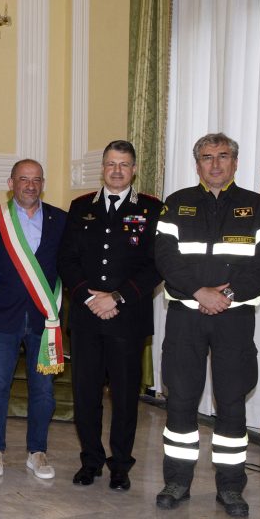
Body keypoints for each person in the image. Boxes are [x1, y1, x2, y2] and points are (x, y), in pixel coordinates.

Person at [154, 133, 260, 518]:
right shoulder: (176, 204)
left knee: (231, 402)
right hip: (186, 317)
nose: (215, 164)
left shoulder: (258, 206)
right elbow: (165, 257)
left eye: (223, 156)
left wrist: (227, 295)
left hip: (234, 317)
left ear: (235, 162)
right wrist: (199, 292)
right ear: (197, 164)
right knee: (180, 400)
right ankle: (177, 482)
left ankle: (230, 488)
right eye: (207, 157)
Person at [58, 140, 162, 491]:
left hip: (127, 318)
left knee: (125, 397)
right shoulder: (81, 207)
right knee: (86, 394)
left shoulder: (151, 208)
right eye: (111, 164)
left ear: (134, 169)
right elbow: (66, 260)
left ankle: (120, 464)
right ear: (102, 168)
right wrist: (90, 298)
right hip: (87, 317)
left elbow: (156, 265)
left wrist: (117, 297)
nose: (117, 171)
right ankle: (91, 460)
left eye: (124, 164)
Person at [0, 159, 67, 479]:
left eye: (36, 180)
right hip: (2, 318)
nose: (30, 185)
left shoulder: (61, 219)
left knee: (43, 390)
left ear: (43, 183)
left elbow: (68, 265)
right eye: (23, 179)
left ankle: (37, 451)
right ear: (11, 183)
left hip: (45, 319)